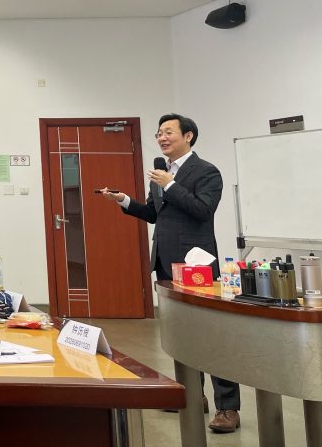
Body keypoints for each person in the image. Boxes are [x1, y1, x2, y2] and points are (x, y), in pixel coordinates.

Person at [99, 113, 239, 433]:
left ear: (188, 136)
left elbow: (202, 209)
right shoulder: (160, 174)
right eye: (159, 133)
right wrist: (123, 200)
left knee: (212, 335)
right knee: (182, 333)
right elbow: (153, 213)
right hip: (165, 264)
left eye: (168, 132)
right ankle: (192, 395)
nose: (162, 137)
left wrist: (171, 185)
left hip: (197, 265)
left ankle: (228, 407)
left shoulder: (206, 171)